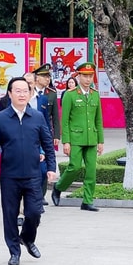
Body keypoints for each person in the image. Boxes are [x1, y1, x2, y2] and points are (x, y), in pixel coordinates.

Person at [0, 76, 57, 265]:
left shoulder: (37, 117)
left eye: (25, 90)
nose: (22, 94)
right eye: (17, 90)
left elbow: (48, 144)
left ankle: (27, 237)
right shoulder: (0, 118)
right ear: (9, 94)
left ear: (30, 93)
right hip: (9, 175)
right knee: (9, 215)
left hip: (33, 174)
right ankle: (14, 251)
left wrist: (51, 167)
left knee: (34, 212)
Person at [51, 62, 104, 211]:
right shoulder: (70, 95)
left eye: (90, 76)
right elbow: (65, 120)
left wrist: (101, 140)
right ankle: (59, 186)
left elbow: (98, 119)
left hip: (91, 138)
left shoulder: (95, 94)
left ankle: (87, 201)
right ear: (78, 76)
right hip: (76, 138)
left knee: (91, 170)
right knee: (74, 167)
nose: (88, 79)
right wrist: (66, 141)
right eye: (85, 76)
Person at [33, 64, 61, 203]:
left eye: (49, 76)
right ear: (36, 78)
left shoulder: (51, 94)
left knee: (44, 167)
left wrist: (56, 135)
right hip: (30, 133)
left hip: (45, 134)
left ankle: (41, 195)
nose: (47, 79)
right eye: (44, 76)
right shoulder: (28, 92)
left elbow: (55, 116)